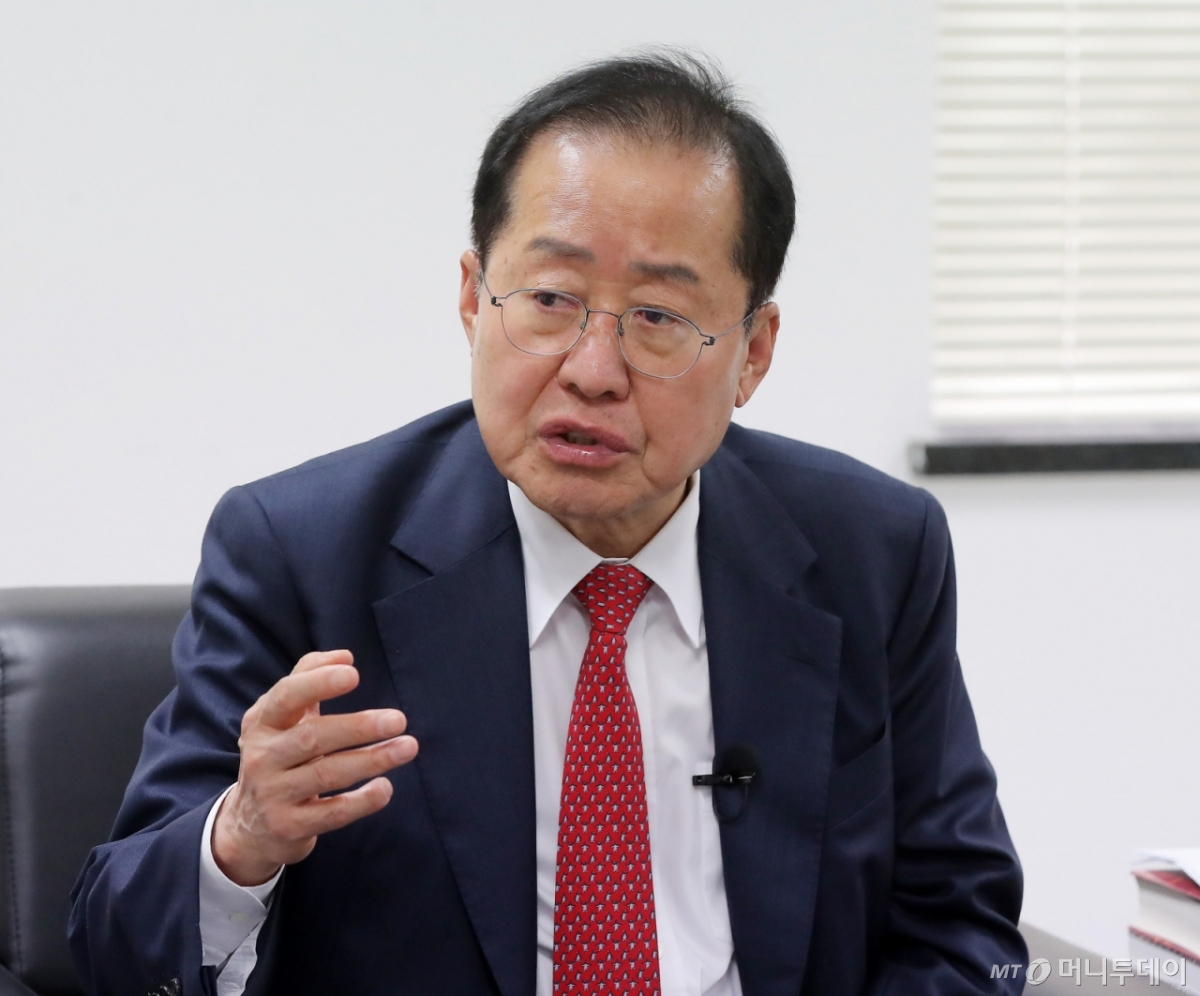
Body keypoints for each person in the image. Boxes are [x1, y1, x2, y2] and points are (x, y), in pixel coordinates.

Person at [69, 52, 1026, 996]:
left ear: (753, 353)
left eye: (658, 317)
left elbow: (961, 922)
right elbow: (114, 943)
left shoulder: (873, 551)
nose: (592, 370)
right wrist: (241, 838)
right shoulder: (300, 551)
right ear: (471, 299)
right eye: (550, 300)